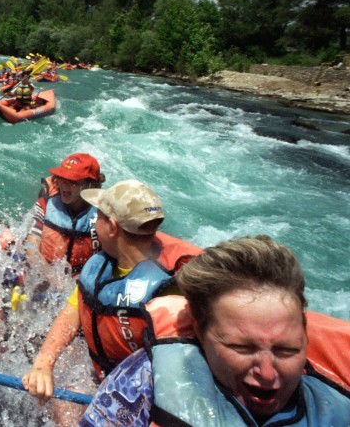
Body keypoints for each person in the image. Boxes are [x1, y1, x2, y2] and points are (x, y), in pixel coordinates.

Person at [80, 236, 350, 426]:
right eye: (241, 348)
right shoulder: (144, 381)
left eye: (287, 349)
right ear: (199, 329)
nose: (268, 373)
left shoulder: (337, 399)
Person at [22, 180, 201, 425]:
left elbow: (182, 375)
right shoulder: (103, 263)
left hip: (149, 396)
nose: (94, 221)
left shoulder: (172, 288)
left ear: (112, 227)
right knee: (64, 405)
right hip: (103, 373)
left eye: (99, 216)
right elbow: (73, 311)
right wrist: (44, 363)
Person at [23, 153, 104, 276]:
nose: (64, 185)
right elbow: (31, 246)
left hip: (81, 279)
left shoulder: (104, 213)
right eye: (62, 178)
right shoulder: (46, 201)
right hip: (43, 272)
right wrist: (52, 279)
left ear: (89, 185)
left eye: (72, 181)